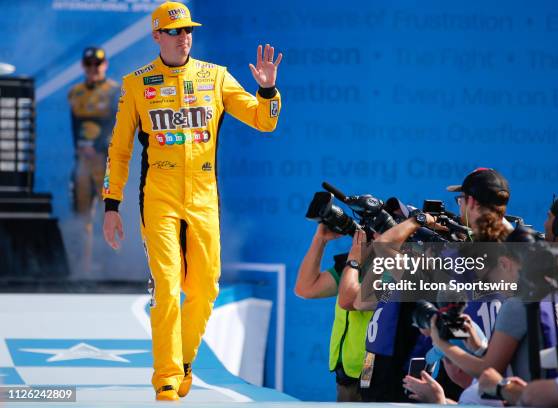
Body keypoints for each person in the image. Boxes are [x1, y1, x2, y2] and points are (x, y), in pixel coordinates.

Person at [101, 2, 282, 401]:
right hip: (160, 195)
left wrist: (267, 89)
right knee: (167, 286)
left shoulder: (214, 76)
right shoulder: (136, 83)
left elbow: (263, 120)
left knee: (205, 288)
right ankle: (165, 378)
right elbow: (119, 150)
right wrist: (111, 205)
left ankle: (183, 360)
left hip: (203, 196)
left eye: (188, 30)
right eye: (174, 31)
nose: (184, 37)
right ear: (156, 36)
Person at [294, 224, 372, 402]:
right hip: (347, 375)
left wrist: (353, 263)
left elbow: (348, 300)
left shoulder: (396, 271)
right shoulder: (355, 266)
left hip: (372, 373)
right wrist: (319, 240)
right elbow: (305, 288)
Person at [68, 46, 119, 274]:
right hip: (83, 162)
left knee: (110, 213)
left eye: (97, 64)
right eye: (89, 64)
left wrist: (99, 148)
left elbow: (118, 126)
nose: (93, 69)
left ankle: (115, 267)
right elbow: (75, 126)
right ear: (83, 66)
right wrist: (81, 149)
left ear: (105, 65)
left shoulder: (114, 91)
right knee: (81, 216)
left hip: (106, 162)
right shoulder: (75, 92)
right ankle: (84, 268)